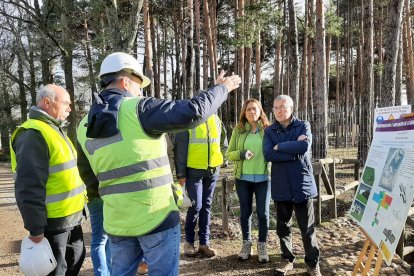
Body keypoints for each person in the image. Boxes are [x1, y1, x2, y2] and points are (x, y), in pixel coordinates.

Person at [76, 52, 241, 276]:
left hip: (118, 220)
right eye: (138, 84)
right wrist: (222, 88)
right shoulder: (138, 109)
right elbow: (194, 112)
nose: (139, 91)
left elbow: (90, 179)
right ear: (125, 81)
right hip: (156, 216)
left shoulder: (83, 126)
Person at [11, 84, 86, 275]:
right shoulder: (33, 133)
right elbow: (28, 186)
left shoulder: (54, 130)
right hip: (52, 223)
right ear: (47, 103)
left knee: (73, 264)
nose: (70, 108)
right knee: (56, 271)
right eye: (66, 103)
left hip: (70, 219)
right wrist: (36, 230)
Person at [263, 95, 321, 276]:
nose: (279, 110)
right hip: (281, 187)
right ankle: (287, 259)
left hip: (302, 185)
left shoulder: (303, 125)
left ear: (291, 108)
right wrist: (293, 149)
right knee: (283, 227)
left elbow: (303, 148)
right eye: (275, 107)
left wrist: (279, 147)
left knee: (308, 228)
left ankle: (312, 263)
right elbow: (268, 155)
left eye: (282, 107)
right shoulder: (270, 131)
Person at [174, 113, 227, 258]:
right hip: (193, 170)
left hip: (212, 169)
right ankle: (189, 243)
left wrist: (223, 159)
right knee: (195, 206)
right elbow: (179, 148)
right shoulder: (187, 119)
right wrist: (181, 174)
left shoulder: (216, 118)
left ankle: (204, 244)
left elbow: (223, 141)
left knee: (206, 206)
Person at [226, 99, 271, 263]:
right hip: (243, 179)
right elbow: (229, 154)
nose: (252, 112)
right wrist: (242, 153)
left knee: (263, 213)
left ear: (260, 111)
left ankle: (262, 244)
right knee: (245, 213)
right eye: (248, 109)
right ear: (244, 113)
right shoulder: (238, 131)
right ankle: (246, 244)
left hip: (264, 179)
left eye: (255, 109)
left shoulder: (268, 130)